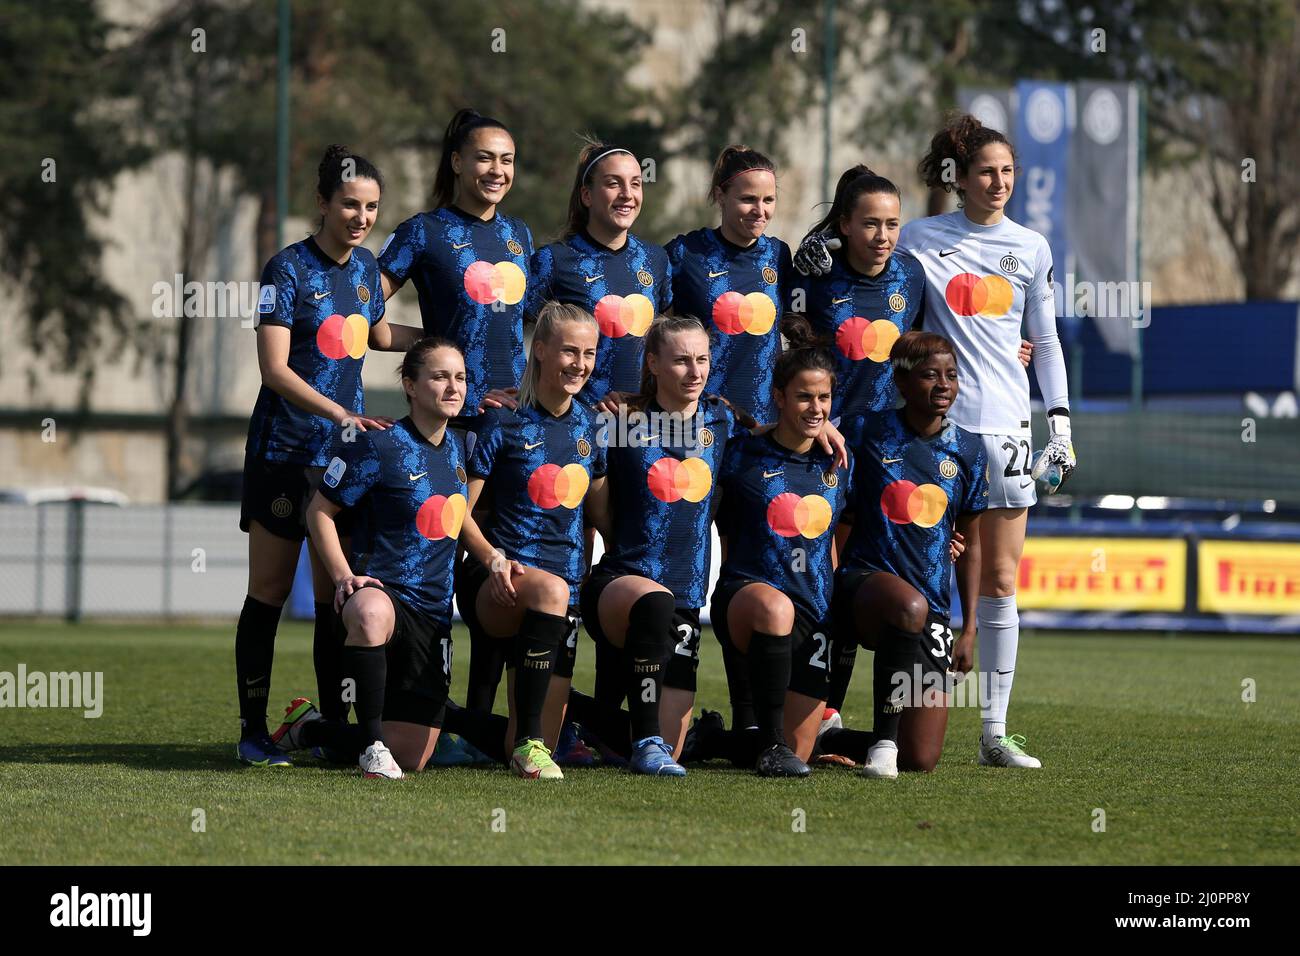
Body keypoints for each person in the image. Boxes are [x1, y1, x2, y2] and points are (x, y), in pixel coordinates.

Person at [794, 144, 1053, 765]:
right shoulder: (820, 271)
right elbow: (792, 328)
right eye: (871, 223)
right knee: (825, 584)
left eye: (890, 223)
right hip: (827, 444)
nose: (884, 235)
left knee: (906, 592)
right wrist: (810, 252)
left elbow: (952, 327)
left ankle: (912, 730)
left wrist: (1008, 350)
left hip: (890, 448)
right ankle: (811, 714)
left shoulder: (910, 270)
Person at [235, 144, 413, 766]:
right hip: (285, 452)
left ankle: (336, 729)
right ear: (322, 203)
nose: (361, 217)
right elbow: (275, 369)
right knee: (270, 591)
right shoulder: (285, 269)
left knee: (336, 594)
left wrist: (445, 341)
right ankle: (253, 733)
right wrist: (339, 413)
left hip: (341, 461)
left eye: (371, 207)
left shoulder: (366, 272)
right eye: (349, 204)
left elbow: (377, 334)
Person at [377, 108, 534, 717]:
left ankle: (482, 716)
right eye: (486, 157)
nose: (497, 170)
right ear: (458, 163)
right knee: (438, 556)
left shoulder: (519, 236)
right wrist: (440, 344)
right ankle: (397, 708)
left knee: (503, 569)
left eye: (507, 159)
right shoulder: (423, 231)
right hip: (448, 430)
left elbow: (534, 331)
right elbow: (365, 322)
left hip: (513, 431)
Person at [274, 339, 476, 778]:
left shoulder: (461, 449)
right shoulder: (378, 445)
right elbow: (319, 512)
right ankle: (370, 747)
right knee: (366, 612)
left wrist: (496, 560)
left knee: (413, 757)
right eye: (439, 376)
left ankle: (309, 730)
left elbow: (462, 522)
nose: (453, 387)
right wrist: (344, 576)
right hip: (384, 596)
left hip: (434, 614)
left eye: (459, 377)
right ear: (410, 384)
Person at [455, 302, 610, 780]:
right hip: (496, 581)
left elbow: (602, 515)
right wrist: (493, 559)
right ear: (539, 350)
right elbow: (456, 509)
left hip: (562, 592)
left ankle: (455, 726)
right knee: (551, 590)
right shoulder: (500, 420)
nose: (579, 364)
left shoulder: (589, 425)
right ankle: (529, 745)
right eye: (568, 351)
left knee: (509, 737)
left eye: (588, 353)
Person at [833, 330, 987, 778]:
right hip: (865, 585)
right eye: (929, 375)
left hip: (932, 606)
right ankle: (882, 744)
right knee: (907, 605)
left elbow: (970, 541)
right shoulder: (866, 429)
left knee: (922, 758)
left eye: (952, 375)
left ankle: (838, 740)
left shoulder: (970, 451)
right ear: (901, 384)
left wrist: (970, 627)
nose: (944, 385)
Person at [711, 330, 852, 776]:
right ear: (778, 397)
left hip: (812, 614)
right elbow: (707, 408)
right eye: (804, 397)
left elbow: (833, 543)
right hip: (749, 601)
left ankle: (717, 739)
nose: (816, 408)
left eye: (824, 398)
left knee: (802, 751)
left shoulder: (838, 465)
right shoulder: (739, 454)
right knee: (775, 607)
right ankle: (768, 745)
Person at [529, 141, 672, 411]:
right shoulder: (554, 260)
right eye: (613, 183)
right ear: (587, 195)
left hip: (642, 425)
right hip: (578, 423)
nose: (627, 194)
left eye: (636, 183)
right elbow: (514, 333)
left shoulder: (656, 259)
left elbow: (666, 343)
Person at [665, 145, 790, 424]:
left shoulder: (779, 256)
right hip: (699, 421)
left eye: (768, 200)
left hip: (765, 423)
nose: (760, 211)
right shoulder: (685, 252)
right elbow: (654, 329)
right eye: (748, 199)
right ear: (721, 196)